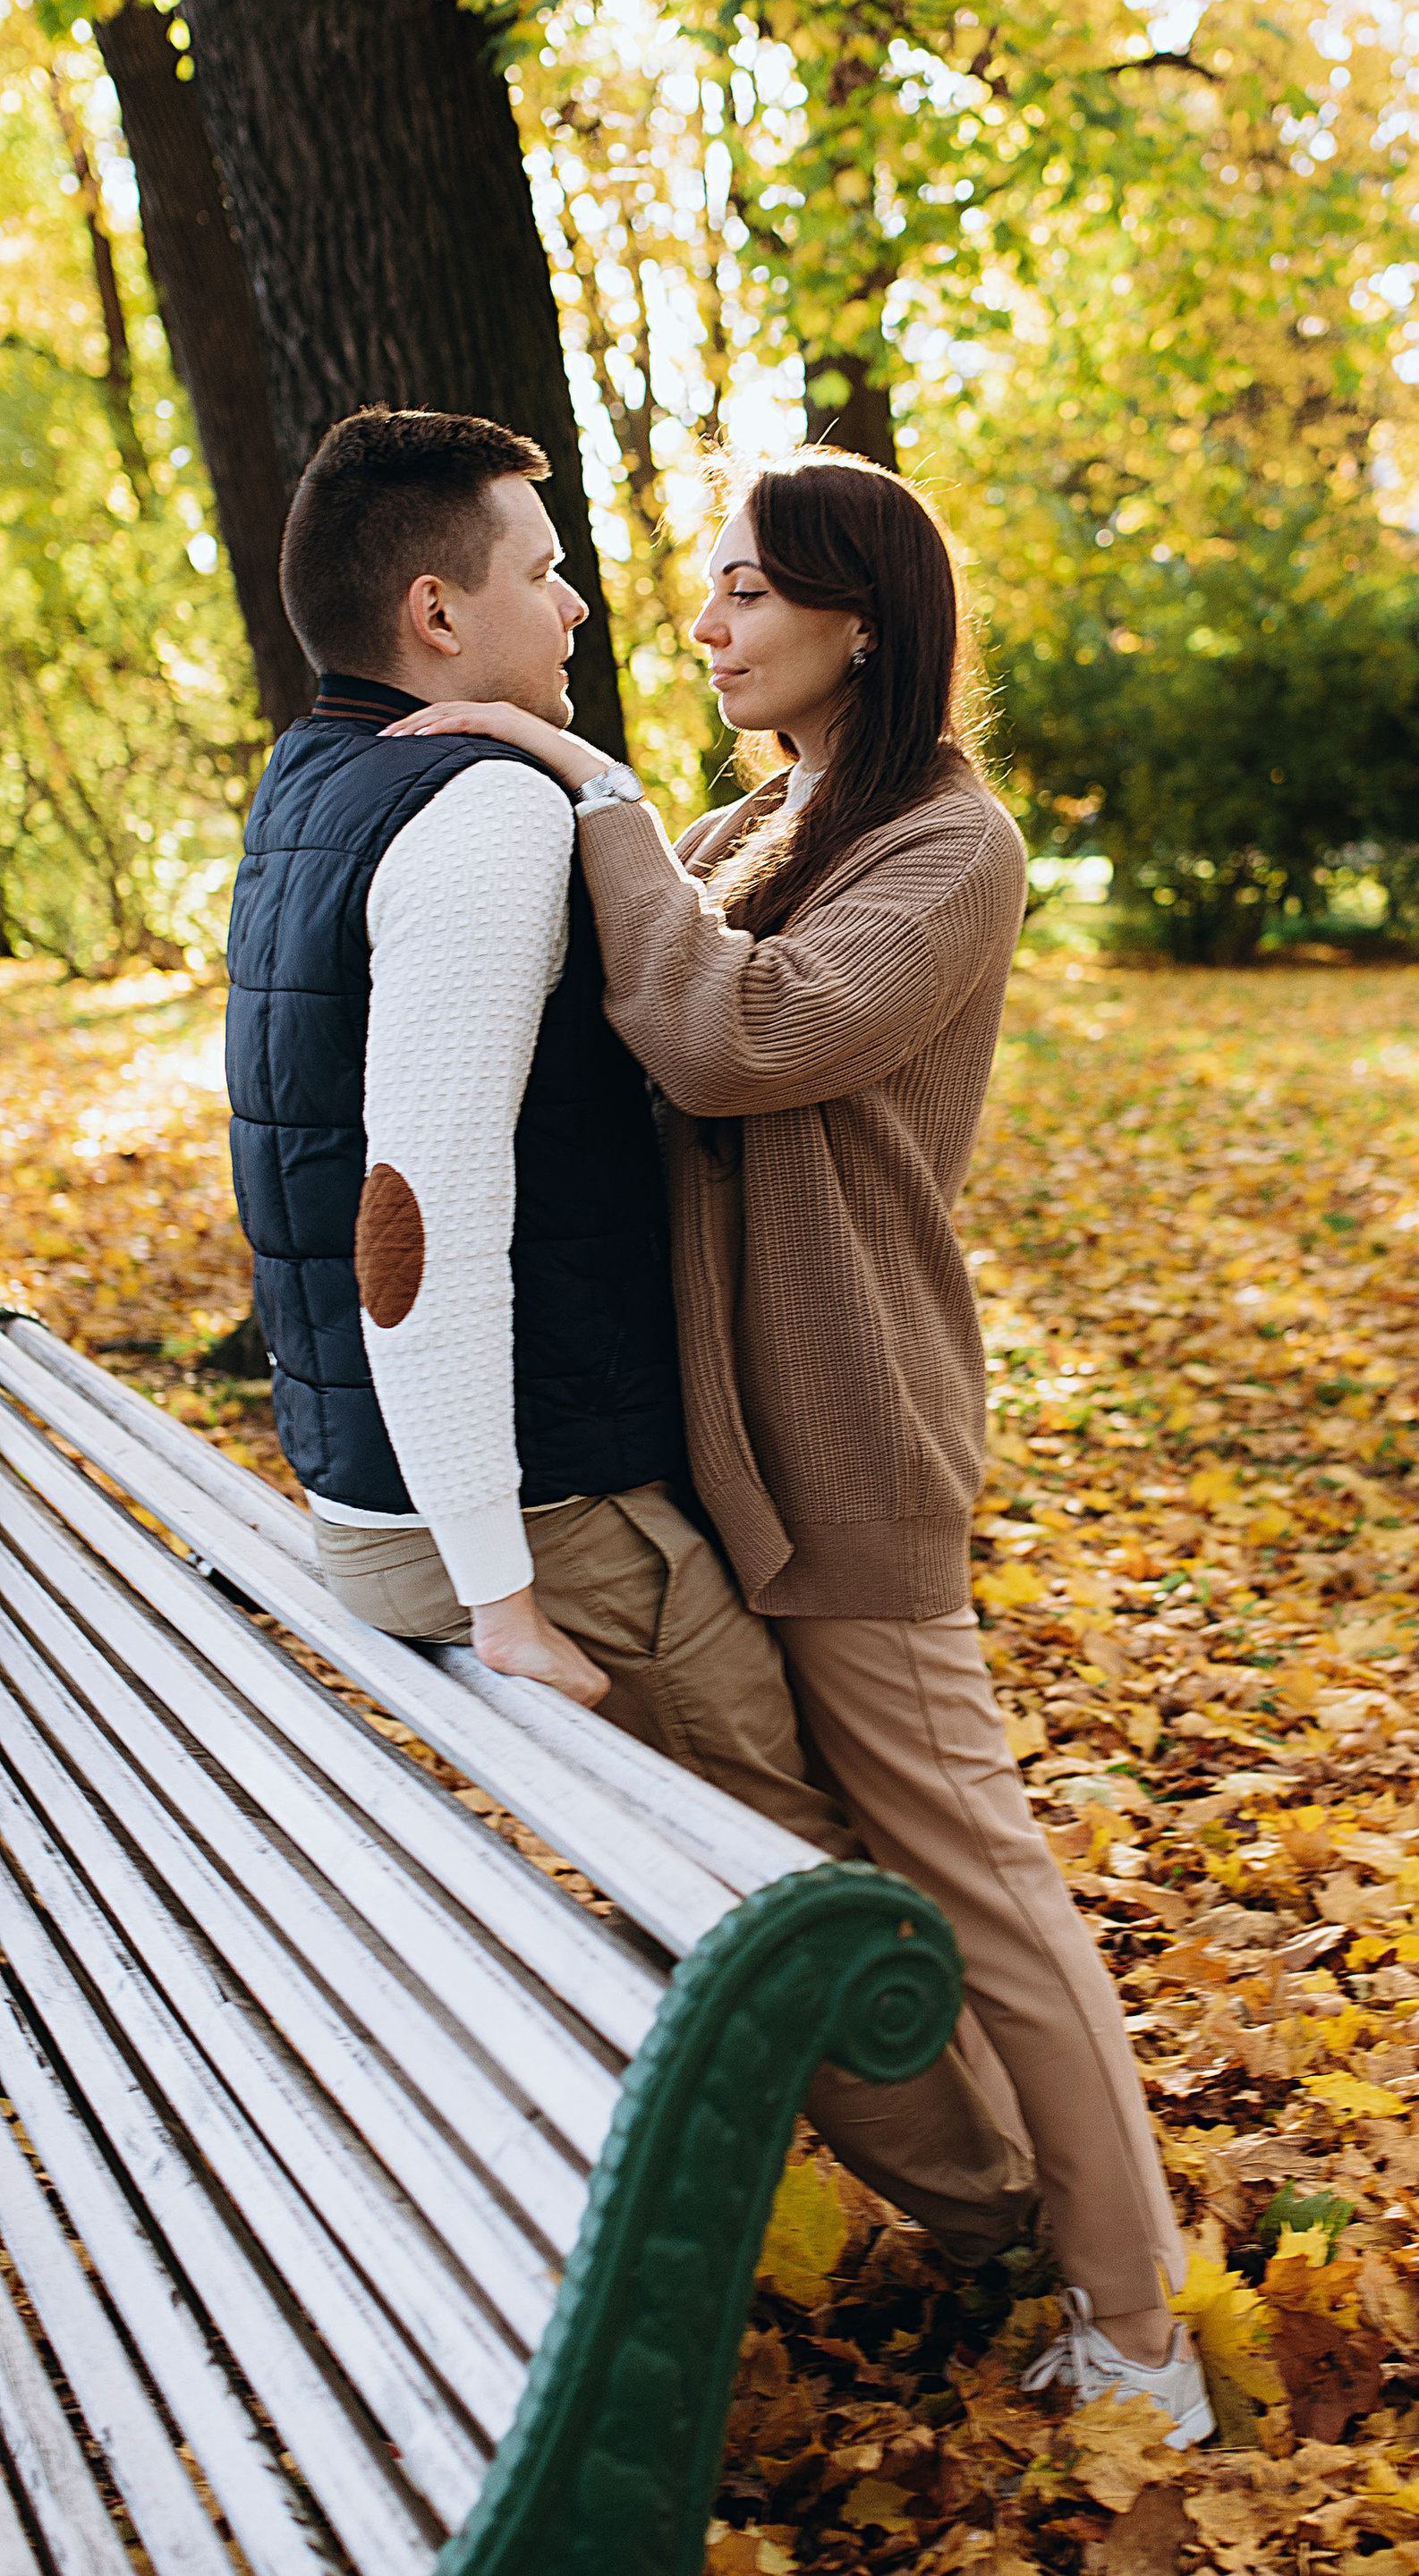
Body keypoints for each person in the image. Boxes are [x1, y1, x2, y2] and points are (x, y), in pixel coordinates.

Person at [385, 445, 1212, 2447]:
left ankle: (1142, 2327)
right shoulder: (772, 814)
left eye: (748, 589)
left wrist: (586, 791)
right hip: (710, 1438)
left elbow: (733, 1031)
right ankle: (1004, 2205)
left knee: (980, 1880)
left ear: (860, 613)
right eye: (711, 589)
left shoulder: (950, 847)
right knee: (866, 1873)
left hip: (847, 1440)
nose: (705, 622)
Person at [225, 406, 1035, 2262]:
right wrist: (506, 1584)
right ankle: (1006, 2229)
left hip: (374, 1480)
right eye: (538, 568)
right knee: (805, 1885)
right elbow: (416, 1215)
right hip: (539, 1504)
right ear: (436, 611)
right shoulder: (485, 805)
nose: (581, 604)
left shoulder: (312, 783)